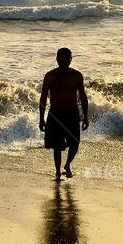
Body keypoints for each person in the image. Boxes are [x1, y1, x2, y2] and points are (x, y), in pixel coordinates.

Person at [39, 47, 90, 181]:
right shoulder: (50, 76)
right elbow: (43, 97)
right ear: (57, 59)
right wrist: (41, 119)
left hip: (72, 113)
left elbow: (83, 97)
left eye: (67, 58)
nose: (64, 61)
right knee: (57, 146)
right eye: (61, 58)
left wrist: (85, 117)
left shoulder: (76, 75)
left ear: (71, 59)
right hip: (55, 113)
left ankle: (67, 165)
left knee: (75, 143)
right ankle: (57, 171)